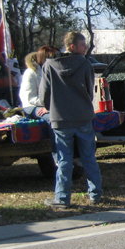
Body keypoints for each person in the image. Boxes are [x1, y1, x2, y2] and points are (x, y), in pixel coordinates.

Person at [39, 32, 103, 208]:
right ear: (72, 46)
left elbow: (44, 95)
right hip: (83, 117)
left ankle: (62, 198)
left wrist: (51, 106)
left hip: (60, 119)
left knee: (64, 159)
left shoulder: (49, 65)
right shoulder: (84, 64)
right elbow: (90, 92)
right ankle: (95, 194)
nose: (85, 47)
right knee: (88, 156)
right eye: (83, 44)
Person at [19, 45, 59, 121]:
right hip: (32, 107)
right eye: (55, 57)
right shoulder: (31, 73)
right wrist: (49, 105)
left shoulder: (56, 71)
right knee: (53, 118)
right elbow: (30, 97)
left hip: (52, 105)